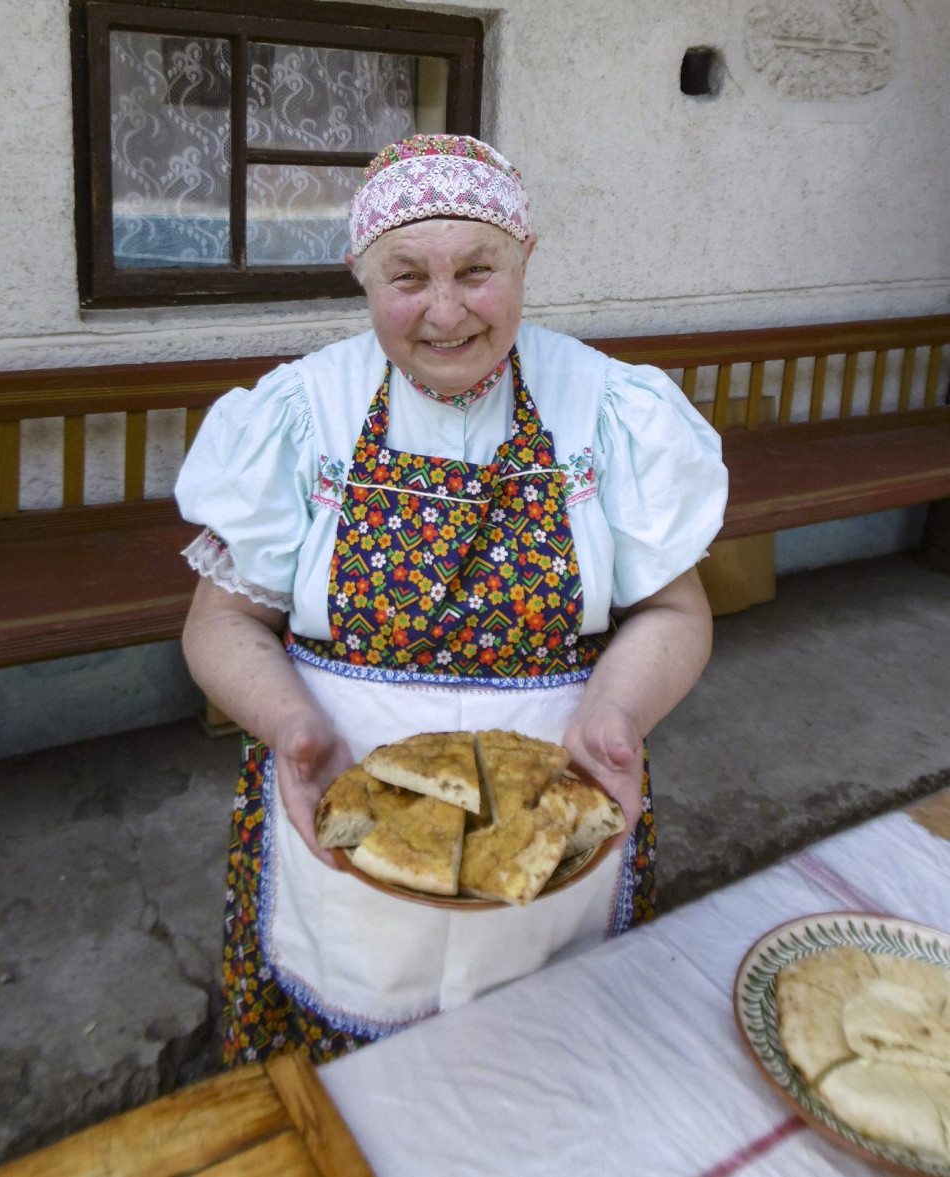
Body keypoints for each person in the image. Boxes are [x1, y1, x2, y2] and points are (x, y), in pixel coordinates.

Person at [175, 134, 728, 1067]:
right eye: (406, 277)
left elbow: (676, 613)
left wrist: (618, 716)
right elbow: (222, 622)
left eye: (478, 270)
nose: (443, 312)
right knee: (347, 1107)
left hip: (554, 827)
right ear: (360, 274)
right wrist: (289, 725)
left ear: (526, 260)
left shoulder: (605, 408)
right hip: (342, 829)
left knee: (536, 1082)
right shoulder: (301, 414)